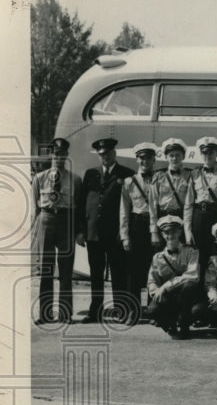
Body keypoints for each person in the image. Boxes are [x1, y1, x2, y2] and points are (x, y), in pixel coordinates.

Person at [79, 137, 133, 322]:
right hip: (94, 234)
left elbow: (130, 207)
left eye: (108, 153)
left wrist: (125, 233)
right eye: (102, 154)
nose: (106, 157)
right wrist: (81, 231)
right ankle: (95, 311)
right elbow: (82, 204)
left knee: (119, 273)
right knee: (96, 275)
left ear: (114, 153)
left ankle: (121, 310)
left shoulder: (126, 174)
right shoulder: (90, 174)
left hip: (115, 234)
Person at [31, 137, 83, 324]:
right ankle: (45, 313)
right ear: (51, 155)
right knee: (46, 268)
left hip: (66, 221)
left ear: (67, 156)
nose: (59, 158)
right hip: (46, 219)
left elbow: (78, 208)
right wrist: (35, 230)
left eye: (63, 155)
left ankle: (65, 313)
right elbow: (35, 208)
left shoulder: (75, 179)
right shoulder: (39, 178)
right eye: (56, 154)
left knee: (66, 270)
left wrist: (78, 231)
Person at [119, 142, 159, 324]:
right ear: (137, 159)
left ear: (154, 160)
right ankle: (133, 312)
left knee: (154, 269)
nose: (145, 161)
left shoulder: (160, 179)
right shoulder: (129, 182)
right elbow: (124, 211)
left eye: (149, 158)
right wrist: (125, 236)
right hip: (136, 226)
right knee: (133, 272)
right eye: (142, 158)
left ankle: (152, 310)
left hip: (156, 228)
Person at [145, 215, 201, 339]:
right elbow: (152, 281)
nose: (170, 235)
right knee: (152, 310)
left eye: (174, 231)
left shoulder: (191, 251)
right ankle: (170, 324)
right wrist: (156, 294)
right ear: (162, 234)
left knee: (189, 286)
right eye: (166, 232)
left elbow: (193, 275)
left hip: (186, 296)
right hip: (168, 296)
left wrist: (165, 287)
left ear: (180, 232)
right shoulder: (158, 257)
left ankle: (184, 325)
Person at [187, 137, 217, 273]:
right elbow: (188, 204)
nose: (208, 156)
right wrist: (187, 230)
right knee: (197, 257)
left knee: (215, 255)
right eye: (205, 153)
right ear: (201, 154)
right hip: (198, 217)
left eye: (211, 153)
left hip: (216, 216)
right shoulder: (195, 174)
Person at [149, 137, 193, 248]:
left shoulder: (189, 176)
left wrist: (187, 232)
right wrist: (154, 231)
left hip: (181, 220)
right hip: (162, 219)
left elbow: (189, 206)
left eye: (178, 155)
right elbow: (152, 205)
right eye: (171, 155)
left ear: (183, 156)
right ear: (166, 157)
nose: (174, 158)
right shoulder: (158, 176)